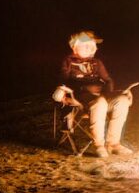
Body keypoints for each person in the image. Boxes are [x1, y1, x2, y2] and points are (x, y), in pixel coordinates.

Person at [52, 30, 134, 159]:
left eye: (90, 45)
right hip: (81, 98)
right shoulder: (68, 62)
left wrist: (111, 94)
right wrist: (61, 90)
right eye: (85, 45)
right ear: (75, 47)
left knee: (122, 100)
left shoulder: (96, 63)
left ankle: (113, 144)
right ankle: (99, 145)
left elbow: (108, 80)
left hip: (101, 96)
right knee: (100, 103)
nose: (88, 48)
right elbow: (62, 80)